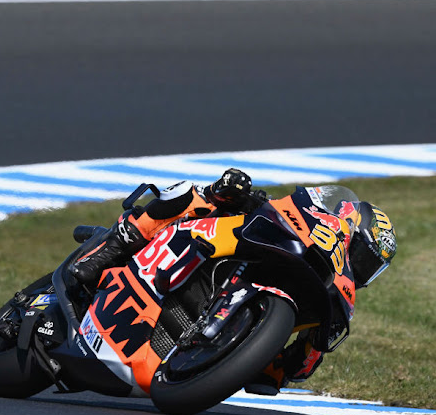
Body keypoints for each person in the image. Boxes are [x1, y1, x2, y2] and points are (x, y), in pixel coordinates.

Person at [71, 169, 397, 395]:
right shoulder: (308, 221)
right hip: (223, 242)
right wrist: (236, 193)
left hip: (178, 377)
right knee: (194, 195)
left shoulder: (341, 292)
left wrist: (297, 356)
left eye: (372, 267)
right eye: (364, 256)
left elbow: (299, 369)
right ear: (347, 225)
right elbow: (273, 205)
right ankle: (111, 247)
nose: (363, 269)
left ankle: (199, 354)